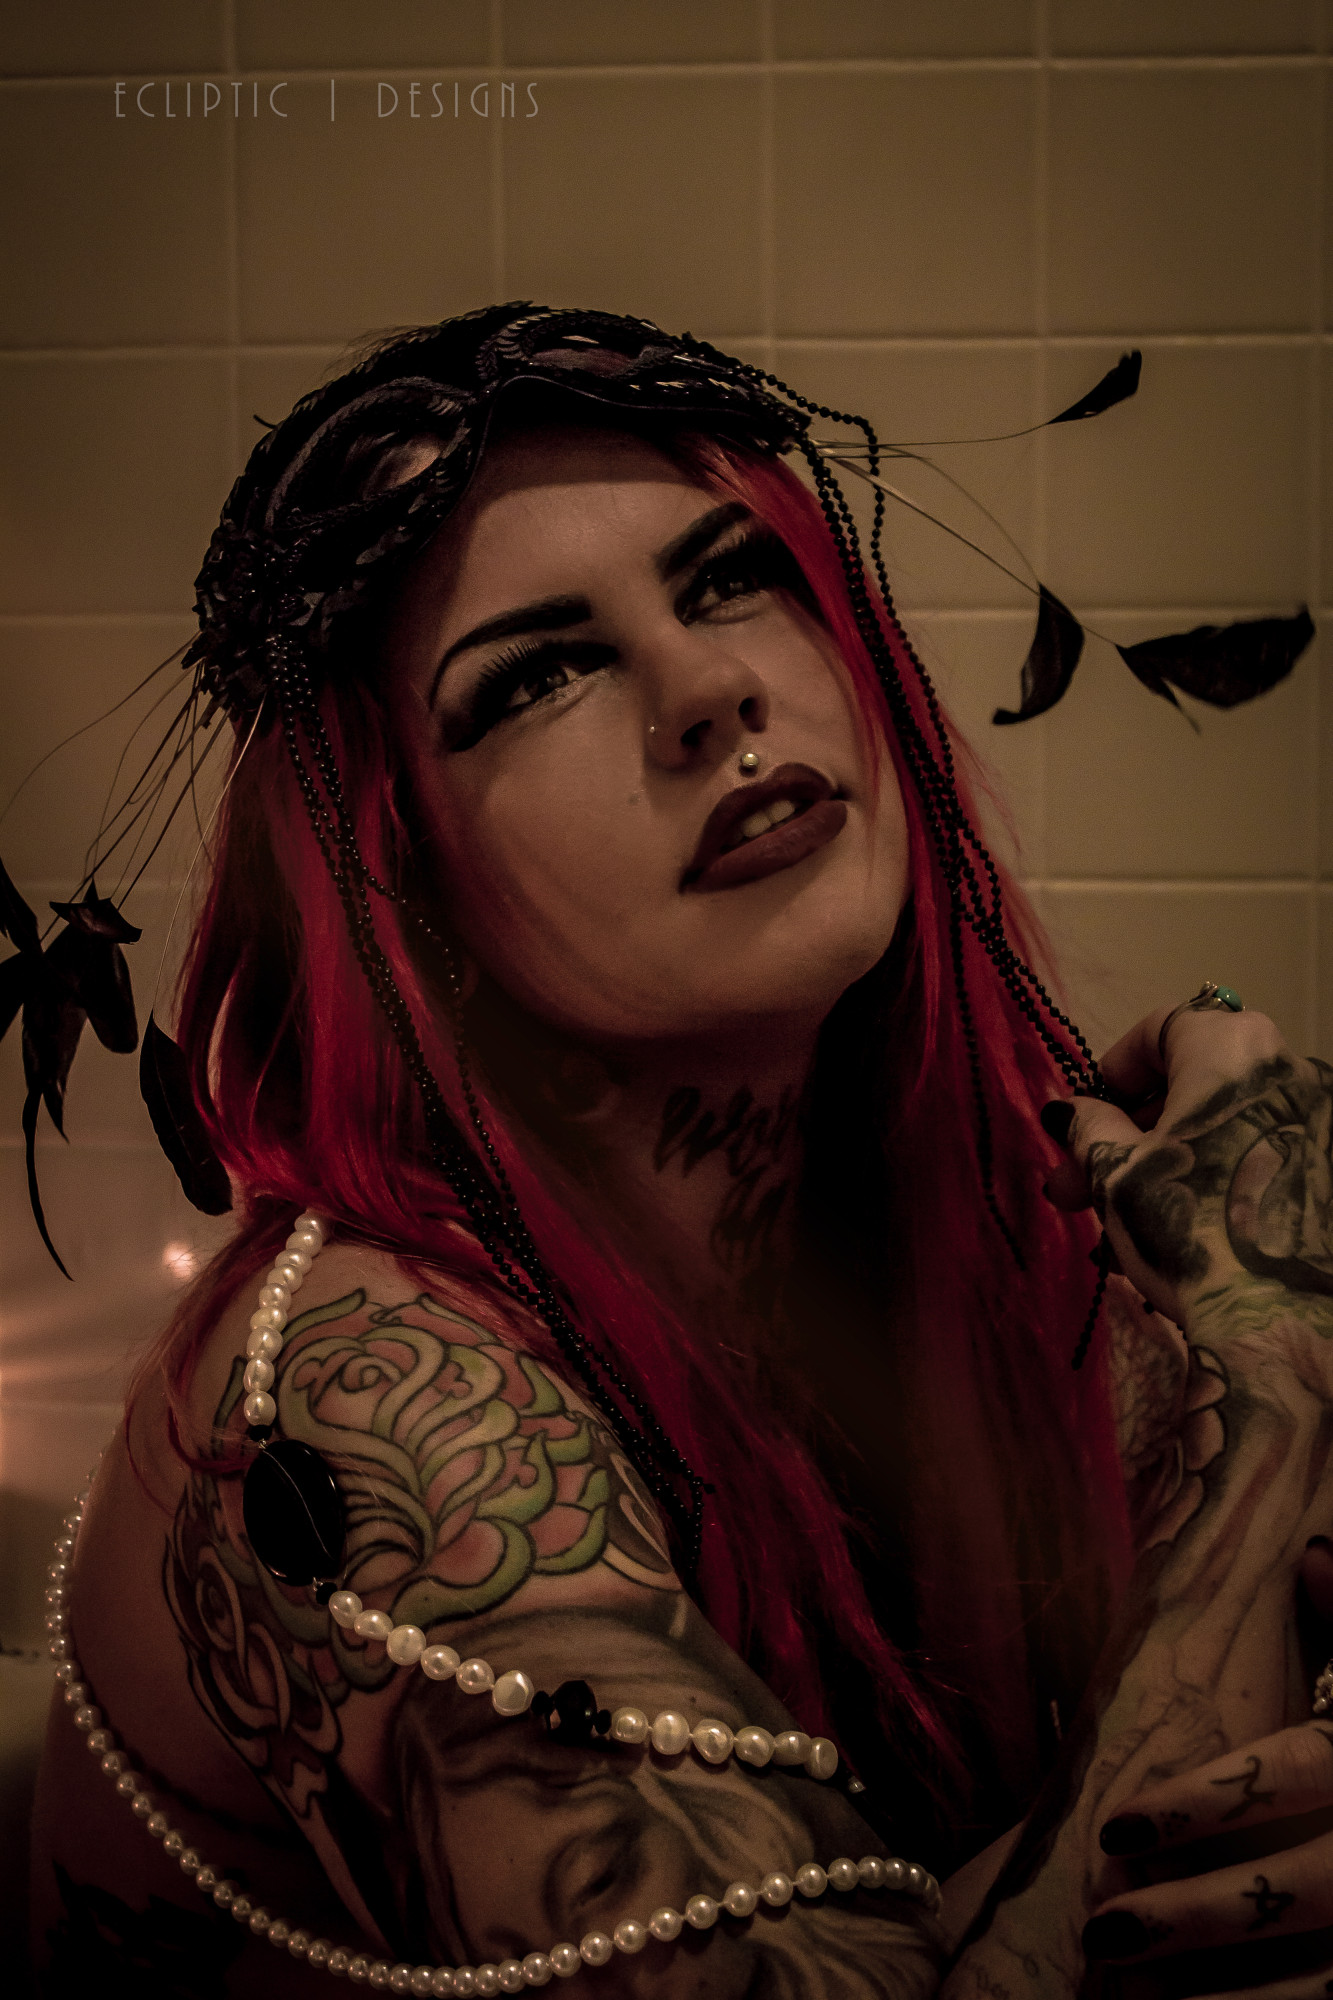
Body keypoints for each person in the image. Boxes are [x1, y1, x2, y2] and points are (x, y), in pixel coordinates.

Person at [24, 306, 1333, 1996]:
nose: (711, 692)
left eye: (731, 579)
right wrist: (1272, 1348)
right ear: (404, 879)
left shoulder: (992, 1240)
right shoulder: (364, 1396)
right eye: (536, 675)